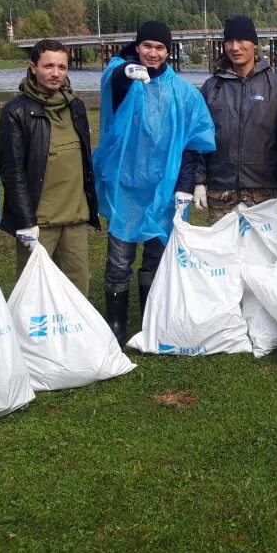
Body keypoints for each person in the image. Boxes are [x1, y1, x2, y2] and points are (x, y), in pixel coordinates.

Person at [92, 21, 215, 343]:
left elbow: (193, 143)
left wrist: (190, 185)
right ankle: (116, 326)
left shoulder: (184, 93)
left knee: (157, 258)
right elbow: (113, 80)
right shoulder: (125, 77)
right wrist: (127, 71)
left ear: (168, 51)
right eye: (147, 46)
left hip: (166, 189)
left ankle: (151, 320)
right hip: (127, 188)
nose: (153, 53)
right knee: (119, 257)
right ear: (137, 47)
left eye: (160, 47)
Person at [0, 39, 99, 295]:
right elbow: (12, 171)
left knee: (77, 290)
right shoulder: (15, 111)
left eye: (62, 67)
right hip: (39, 222)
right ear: (33, 67)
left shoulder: (76, 106)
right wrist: (25, 220)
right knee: (35, 293)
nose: (56, 73)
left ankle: (76, 336)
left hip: (74, 216)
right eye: (49, 66)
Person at [194, 14, 277, 223]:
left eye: (241, 40)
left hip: (264, 192)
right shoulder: (210, 88)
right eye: (229, 41)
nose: (235, 47)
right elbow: (198, 138)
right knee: (222, 254)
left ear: (254, 44)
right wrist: (198, 182)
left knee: (263, 255)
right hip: (220, 192)